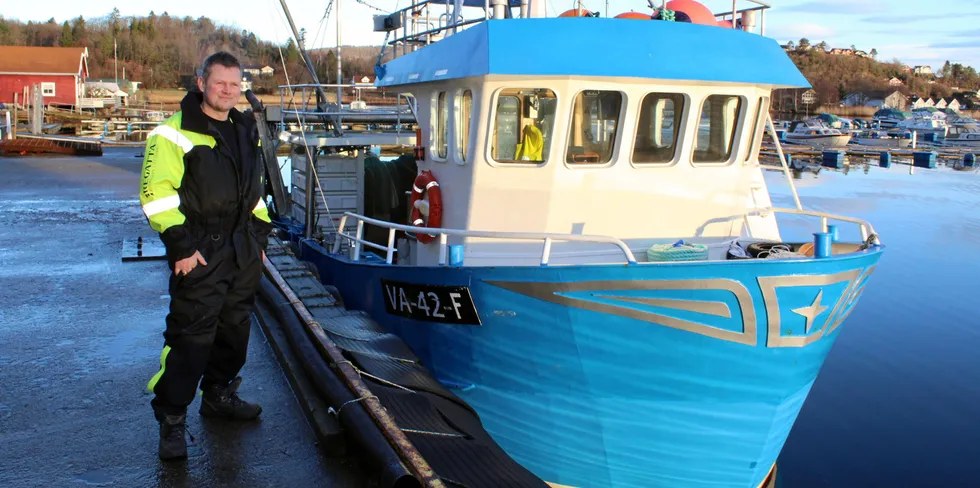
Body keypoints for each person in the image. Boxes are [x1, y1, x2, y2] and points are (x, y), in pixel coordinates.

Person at [138, 51, 274, 461]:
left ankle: (218, 395)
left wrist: (259, 241)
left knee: (234, 331)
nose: (228, 91)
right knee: (190, 337)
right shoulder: (172, 133)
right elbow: (156, 194)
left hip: (242, 249)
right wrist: (181, 247)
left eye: (235, 85)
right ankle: (172, 420)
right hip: (199, 249)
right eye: (220, 84)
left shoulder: (244, 127)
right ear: (202, 83)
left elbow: (255, 192)